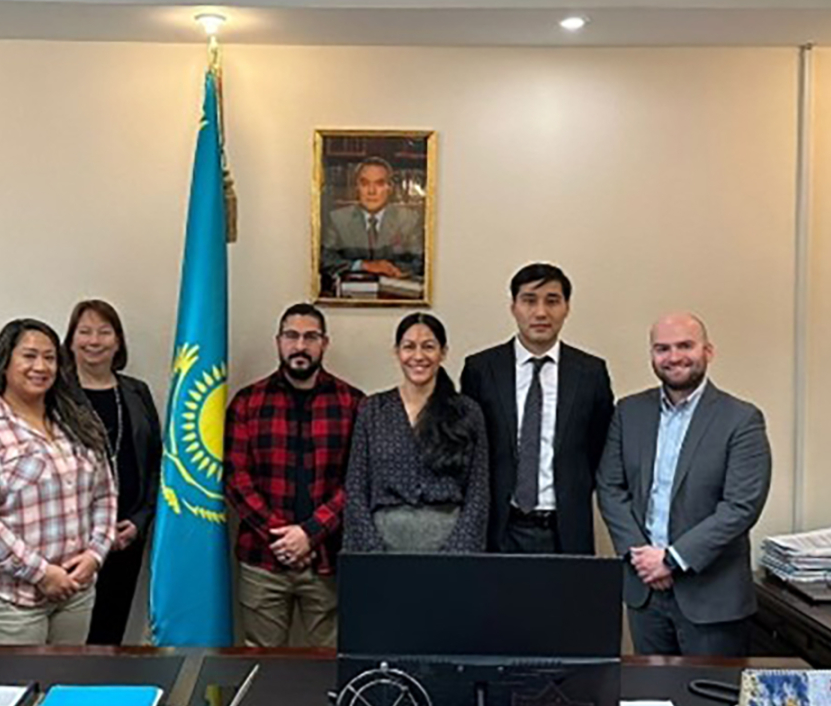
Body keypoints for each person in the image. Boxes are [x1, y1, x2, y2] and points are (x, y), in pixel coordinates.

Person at [597, 314, 771, 656]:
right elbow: (610, 487)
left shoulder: (742, 419)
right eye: (662, 348)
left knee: (709, 705)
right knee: (650, 703)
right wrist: (643, 559)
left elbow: (741, 506)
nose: (674, 357)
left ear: (708, 351)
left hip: (712, 597)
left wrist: (673, 559)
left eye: (685, 346)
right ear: (652, 355)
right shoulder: (628, 412)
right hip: (645, 593)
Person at [0, 319, 117, 645]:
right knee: (17, 694)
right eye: (28, 356)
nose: (40, 366)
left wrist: (95, 554)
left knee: (65, 691)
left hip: (75, 593)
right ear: (5, 363)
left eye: (49, 357)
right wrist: (40, 572)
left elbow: (105, 494)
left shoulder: (75, 422)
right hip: (6, 601)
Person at [224, 303, 364, 648]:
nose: (300, 346)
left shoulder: (354, 403)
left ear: (324, 344)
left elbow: (359, 481)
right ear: (278, 341)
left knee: (331, 666)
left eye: (310, 337)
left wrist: (310, 533)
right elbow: (236, 478)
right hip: (263, 561)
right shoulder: (247, 402)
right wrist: (284, 538)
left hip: (329, 559)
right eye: (292, 336)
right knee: (260, 667)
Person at [461, 263, 615, 554]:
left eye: (552, 301)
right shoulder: (481, 369)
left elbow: (599, 447)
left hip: (565, 528)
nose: (541, 312)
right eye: (529, 300)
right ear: (513, 307)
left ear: (567, 307)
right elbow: (470, 449)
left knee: (565, 601)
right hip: (498, 527)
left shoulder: (590, 373)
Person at [345, 312, 489, 554]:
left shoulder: (467, 412)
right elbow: (356, 487)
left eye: (429, 347)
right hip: (381, 546)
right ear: (397, 352)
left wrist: (457, 553)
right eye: (409, 347)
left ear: (443, 352)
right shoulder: (372, 409)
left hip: (449, 548)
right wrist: (372, 551)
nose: (418, 356)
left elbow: (478, 492)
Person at [65, 300, 162, 645]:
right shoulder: (54, 394)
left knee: (110, 633)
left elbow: (155, 464)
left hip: (125, 535)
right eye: (85, 331)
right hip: (71, 539)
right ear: (71, 340)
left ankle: (102, 698)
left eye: (104, 332)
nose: (95, 340)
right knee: (72, 637)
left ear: (118, 342)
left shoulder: (136, 392)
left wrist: (139, 520)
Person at [319, 157, 425, 288]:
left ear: (390, 188)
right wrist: (363, 265)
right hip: (350, 294)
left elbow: (420, 261)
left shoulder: (409, 219)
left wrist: (389, 268)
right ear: (356, 187)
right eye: (364, 184)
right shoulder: (338, 218)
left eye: (379, 184)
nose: (371, 192)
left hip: (394, 293)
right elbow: (325, 259)